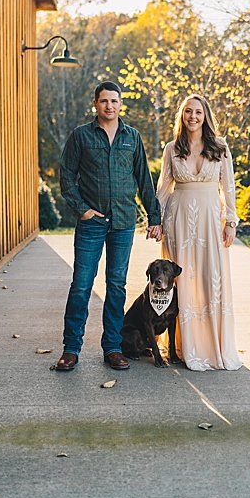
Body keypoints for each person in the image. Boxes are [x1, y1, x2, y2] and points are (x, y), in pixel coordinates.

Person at [54, 82, 162, 371]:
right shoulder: (81, 136)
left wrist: (154, 217)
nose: (109, 106)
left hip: (124, 222)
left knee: (116, 286)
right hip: (92, 224)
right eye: (104, 101)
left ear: (120, 104)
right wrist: (83, 210)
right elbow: (66, 176)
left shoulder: (132, 137)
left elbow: (143, 179)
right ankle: (71, 349)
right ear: (96, 104)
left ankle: (113, 347)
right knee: (81, 286)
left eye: (114, 101)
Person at [157, 93, 242, 371]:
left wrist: (231, 221)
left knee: (210, 279)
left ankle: (213, 346)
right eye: (187, 112)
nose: (192, 116)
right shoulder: (172, 148)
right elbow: (163, 188)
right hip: (178, 221)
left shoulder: (220, 147)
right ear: (182, 116)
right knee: (181, 281)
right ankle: (183, 346)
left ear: (205, 117)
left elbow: (228, 187)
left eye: (198, 112)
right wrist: (156, 220)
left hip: (209, 221)